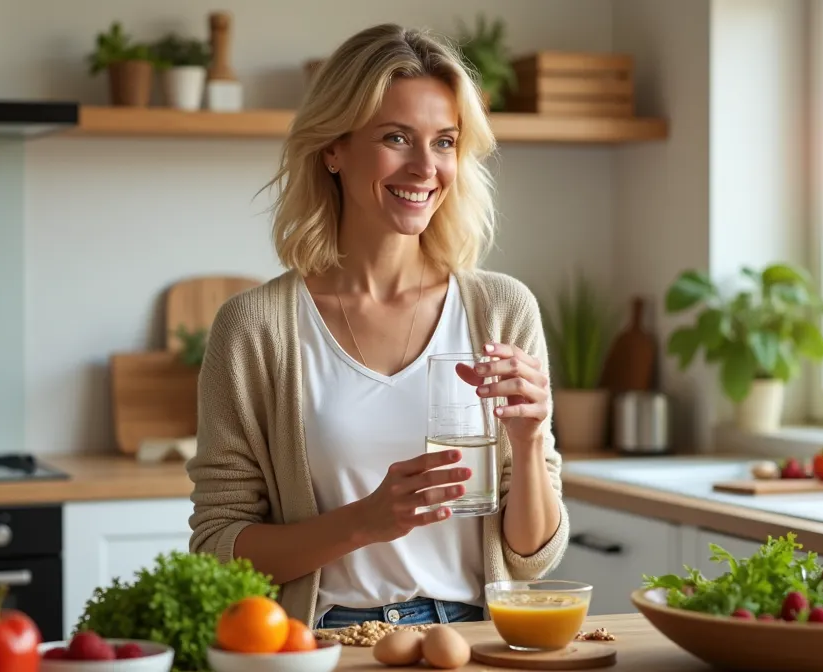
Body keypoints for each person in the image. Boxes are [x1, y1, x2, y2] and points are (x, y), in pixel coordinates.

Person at [186, 23, 569, 630]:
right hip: (333, 638)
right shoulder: (255, 328)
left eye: (445, 142)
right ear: (332, 148)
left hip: (475, 636)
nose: (425, 167)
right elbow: (217, 545)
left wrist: (527, 443)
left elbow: (531, 559)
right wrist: (364, 522)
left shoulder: (502, 309)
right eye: (397, 137)